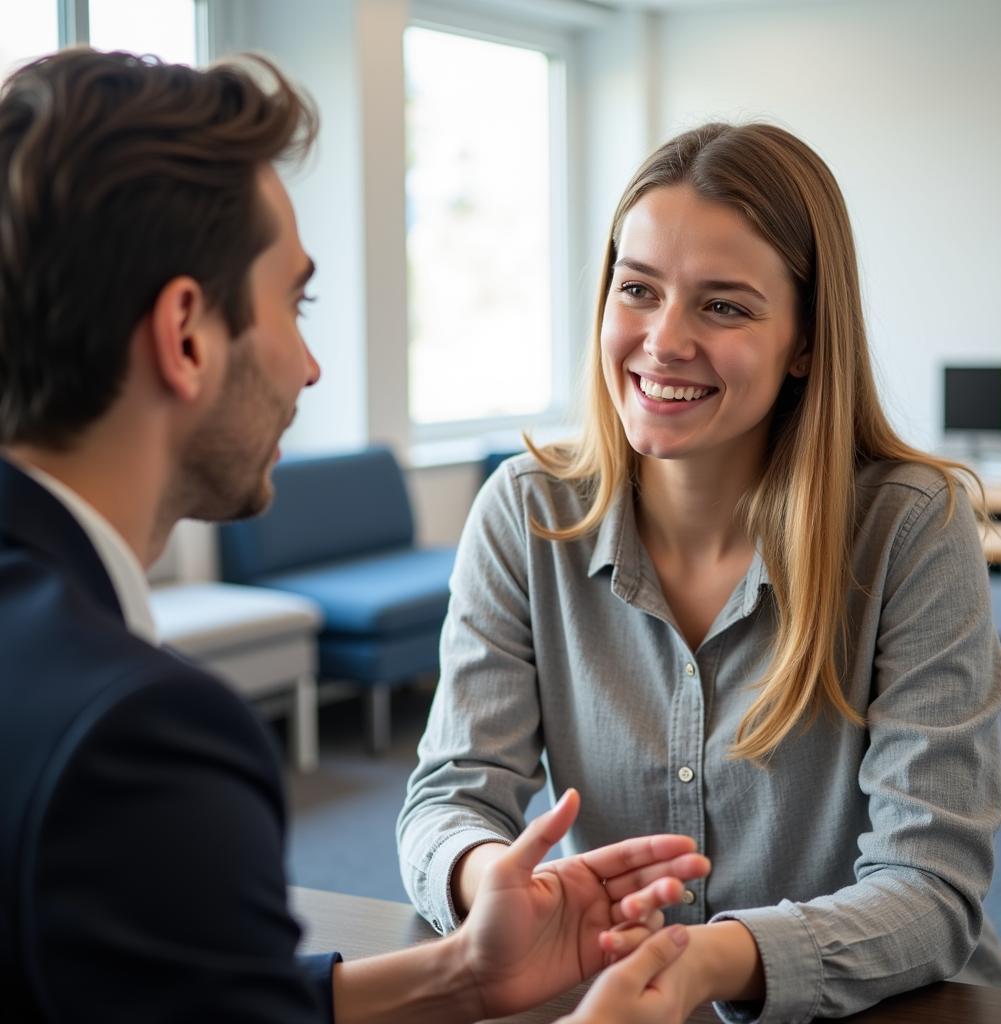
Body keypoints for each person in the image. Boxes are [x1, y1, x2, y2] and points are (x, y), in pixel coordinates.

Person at [0, 48, 714, 1023]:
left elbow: (173, 1000)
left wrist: (457, 974)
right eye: (294, 304)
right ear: (185, 336)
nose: (310, 366)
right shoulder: (135, 736)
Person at [397, 121, 1001, 1022]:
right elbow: (446, 799)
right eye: (637, 289)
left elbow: (931, 889)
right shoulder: (526, 512)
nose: (663, 341)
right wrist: (483, 876)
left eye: (724, 306)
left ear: (806, 341)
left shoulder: (910, 529)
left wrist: (704, 959)